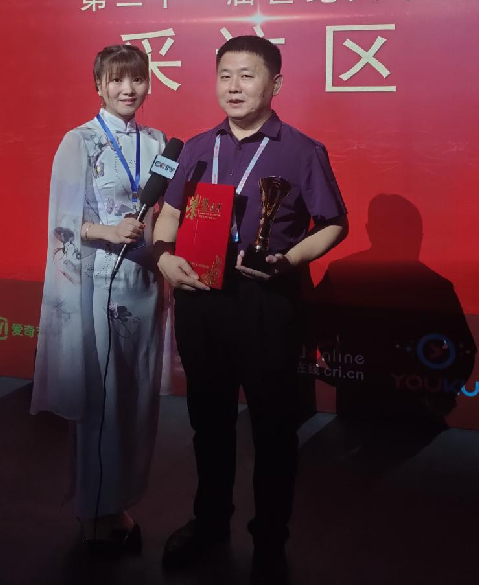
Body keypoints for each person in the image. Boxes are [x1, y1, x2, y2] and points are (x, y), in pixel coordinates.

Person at [153, 35, 348, 584]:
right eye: (225, 76)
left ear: (275, 84)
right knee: (209, 421)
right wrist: (164, 257)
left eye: (247, 75)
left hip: (267, 303)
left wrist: (291, 260)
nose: (233, 87)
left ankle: (269, 539)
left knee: (273, 428)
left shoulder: (302, 150)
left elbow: (334, 223)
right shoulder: (196, 147)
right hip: (201, 299)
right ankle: (210, 522)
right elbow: (169, 214)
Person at [31, 44, 166, 557]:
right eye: (116, 80)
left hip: (147, 283)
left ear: (149, 83)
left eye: (136, 79)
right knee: (102, 401)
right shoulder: (79, 141)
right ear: (98, 85)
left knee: (136, 400)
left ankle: (118, 505)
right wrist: (108, 231)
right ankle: (93, 513)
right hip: (100, 286)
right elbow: (62, 223)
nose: (127, 89)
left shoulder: (158, 142)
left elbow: (168, 212)